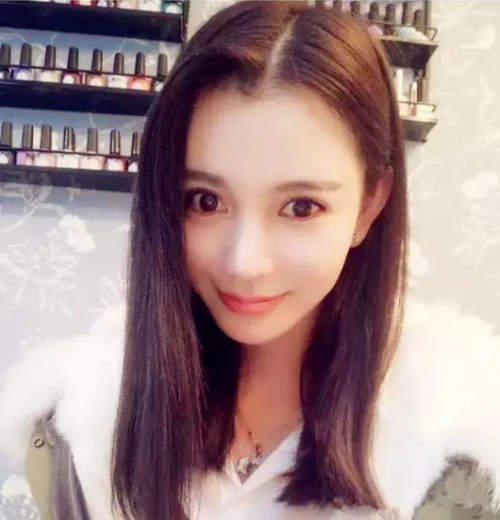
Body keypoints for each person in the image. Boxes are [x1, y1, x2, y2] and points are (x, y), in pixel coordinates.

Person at [1, 2, 500, 520]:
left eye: (301, 207)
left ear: (369, 205)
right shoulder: (85, 422)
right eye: (205, 201)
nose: (245, 262)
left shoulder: (450, 444)